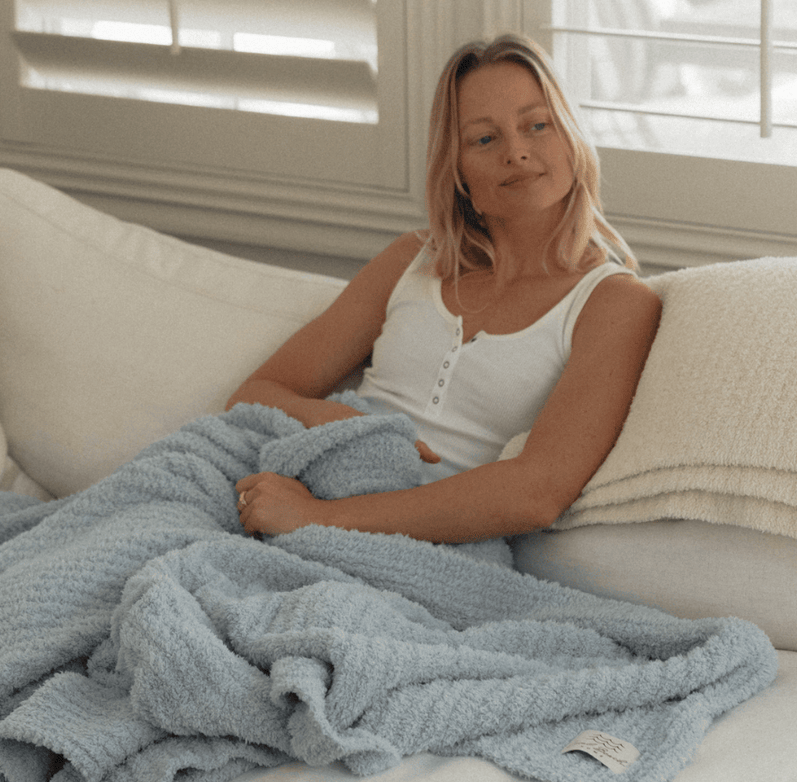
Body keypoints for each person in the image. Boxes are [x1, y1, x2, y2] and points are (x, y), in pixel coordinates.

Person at [227, 33, 662, 545]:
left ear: (571, 137)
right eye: (484, 139)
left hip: (416, 545)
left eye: (537, 125)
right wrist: (340, 422)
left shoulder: (614, 303)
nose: (517, 152)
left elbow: (537, 491)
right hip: (313, 488)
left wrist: (317, 519)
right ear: (458, 173)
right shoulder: (411, 260)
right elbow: (255, 394)